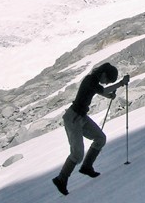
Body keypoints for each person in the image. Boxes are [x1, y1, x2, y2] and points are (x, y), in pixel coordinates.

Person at [52, 62, 129, 195]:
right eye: (108, 80)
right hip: (73, 118)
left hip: (80, 117)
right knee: (77, 154)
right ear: (103, 74)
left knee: (100, 138)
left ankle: (87, 167)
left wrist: (109, 95)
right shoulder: (90, 80)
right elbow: (103, 90)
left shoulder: (93, 81)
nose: (106, 83)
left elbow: (99, 90)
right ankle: (61, 179)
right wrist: (121, 83)